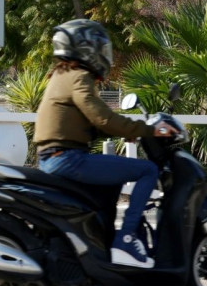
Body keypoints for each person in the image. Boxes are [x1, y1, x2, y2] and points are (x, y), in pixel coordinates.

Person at [33, 19, 177, 268]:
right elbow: (102, 116)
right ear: (85, 48)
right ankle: (127, 240)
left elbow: (89, 124)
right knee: (147, 170)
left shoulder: (61, 75)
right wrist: (149, 129)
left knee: (110, 186)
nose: (104, 55)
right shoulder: (78, 76)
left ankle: (104, 247)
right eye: (100, 48)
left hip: (55, 156)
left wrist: (125, 132)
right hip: (67, 158)